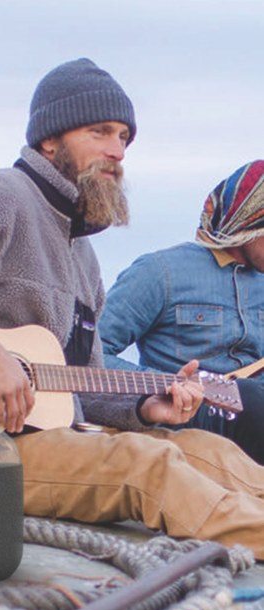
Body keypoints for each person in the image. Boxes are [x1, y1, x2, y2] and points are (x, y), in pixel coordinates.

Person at [0, 57, 264, 558]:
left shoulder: (83, 256)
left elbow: (84, 381)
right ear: (49, 140)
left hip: (47, 438)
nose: (117, 151)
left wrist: (146, 406)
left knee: (203, 449)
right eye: (99, 132)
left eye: (124, 137)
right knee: (147, 465)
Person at [100, 160, 264, 464]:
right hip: (187, 416)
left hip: (255, 420)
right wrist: (164, 384)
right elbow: (90, 352)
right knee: (251, 399)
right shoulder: (159, 272)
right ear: (249, 224)